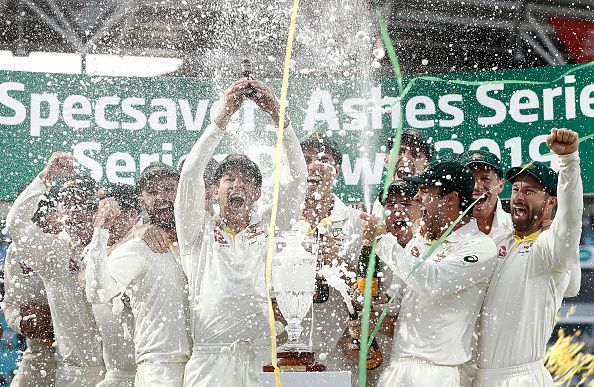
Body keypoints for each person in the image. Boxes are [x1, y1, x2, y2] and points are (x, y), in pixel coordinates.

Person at [175, 78, 307, 386]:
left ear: (258, 193)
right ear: (214, 190)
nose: (238, 185)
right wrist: (221, 119)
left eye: (247, 180)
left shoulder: (271, 231)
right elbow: (191, 172)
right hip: (209, 363)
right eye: (229, 179)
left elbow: (298, 175)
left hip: (261, 360)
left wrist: (278, 116)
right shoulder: (197, 233)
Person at [361, 160, 498, 386]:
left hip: (437, 372)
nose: (416, 198)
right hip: (397, 367)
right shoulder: (421, 242)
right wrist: (374, 302)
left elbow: (432, 282)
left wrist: (381, 240)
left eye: (425, 191)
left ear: (451, 199)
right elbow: (396, 303)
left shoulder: (480, 247)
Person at [473, 128, 583, 387]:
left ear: (551, 202)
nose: (519, 197)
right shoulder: (499, 241)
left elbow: (571, 218)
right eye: (516, 189)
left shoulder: (549, 249)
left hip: (521, 378)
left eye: (530, 191)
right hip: (479, 378)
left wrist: (568, 162)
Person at [5, 152, 106, 386]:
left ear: (97, 210)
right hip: (62, 365)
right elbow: (16, 223)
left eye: (85, 205)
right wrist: (47, 176)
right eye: (70, 204)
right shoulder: (53, 251)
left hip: (112, 368)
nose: (77, 212)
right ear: (61, 209)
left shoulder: (111, 244)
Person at [107, 163, 191, 387]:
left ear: (181, 191)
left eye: (169, 189)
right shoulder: (138, 246)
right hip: (158, 367)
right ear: (142, 201)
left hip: (200, 363)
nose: (162, 197)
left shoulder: (198, 240)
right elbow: (91, 280)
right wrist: (132, 235)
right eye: (153, 192)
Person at [343, 180, 423, 386]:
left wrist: (377, 318)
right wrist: (352, 341)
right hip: (376, 374)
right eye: (390, 203)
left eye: (406, 203)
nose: (397, 210)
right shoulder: (368, 251)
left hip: (418, 370)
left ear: (422, 208)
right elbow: (350, 326)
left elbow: (417, 324)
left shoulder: (429, 254)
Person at [298, 133, 364, 374]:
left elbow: (365, 292)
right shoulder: (279, 219)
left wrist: (337, 263)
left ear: (336, 171)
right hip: (287, 352)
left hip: (339, 353)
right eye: (305, 159)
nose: (313, 165)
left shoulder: (356, 223)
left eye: (323, 158)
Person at [82, 183, 139, 387]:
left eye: (109, 213)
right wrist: (101, 233)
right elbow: (91, 286)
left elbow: (101, 291)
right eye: (99, 213)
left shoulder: (145, 245)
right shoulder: (96, 249)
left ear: (132, 215)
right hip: (116, 374)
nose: (102, 221)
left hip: (148, 371)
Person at [3, 192, 61, 386]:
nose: (41, 223)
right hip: (39, 355)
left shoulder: (73, 242)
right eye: (36, 218)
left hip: (83, 358)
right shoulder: (18, 250)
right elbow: (10, 305)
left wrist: (54, 322)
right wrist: (24, 323)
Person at [372, 128, 433, 217]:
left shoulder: (431, 204)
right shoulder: (380, 201)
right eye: (399, 152)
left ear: (425, 167)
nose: (406, 158)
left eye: (415, 154)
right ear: (386, 160)